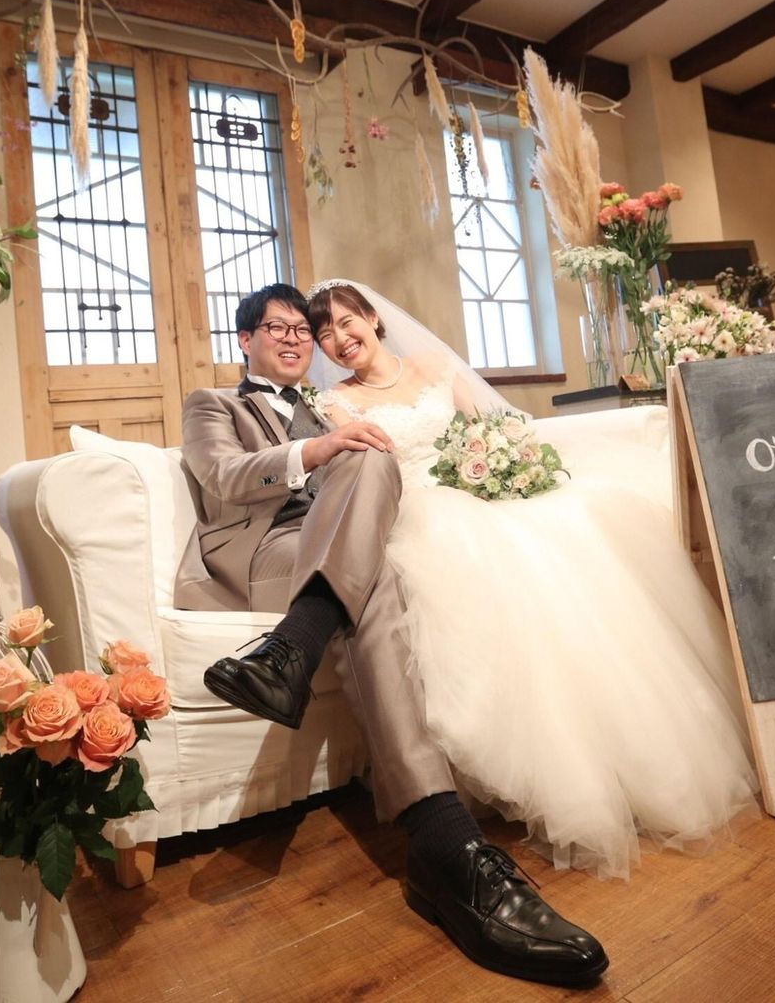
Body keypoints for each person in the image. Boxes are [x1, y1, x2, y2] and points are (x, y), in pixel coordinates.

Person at [175, 283, 608, 989]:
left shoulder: (330, 401)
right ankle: (445, 844)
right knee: (365, 533)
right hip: (260, 552)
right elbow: (221, 475)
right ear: (245, 340)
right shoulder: (214, 404)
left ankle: (302, 658)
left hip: (340, 542)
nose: (294, 338)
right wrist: (316, 448)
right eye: (275, 327)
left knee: (373, 549)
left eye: (302, 330)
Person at [305, 279, 759, 880]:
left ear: (372, 318)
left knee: (583, 523)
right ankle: (549, 779)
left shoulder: (435, 366)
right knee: (473, 554)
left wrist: (505, 468)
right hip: (420, 511)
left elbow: (491, 429)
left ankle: (625, 754)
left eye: (346, 322)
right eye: (325, 334)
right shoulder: (336, 404)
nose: (339, 340)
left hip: (481, 490)